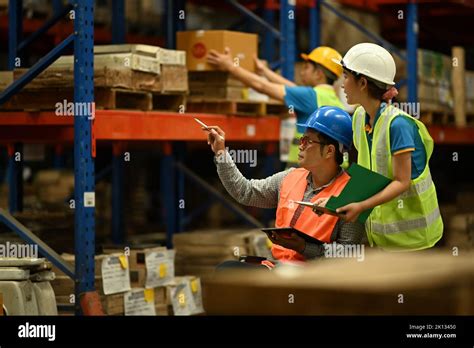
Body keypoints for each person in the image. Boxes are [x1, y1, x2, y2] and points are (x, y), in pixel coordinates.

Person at [202, 106, 366, 268]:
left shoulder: (351, 196)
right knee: (228, 269)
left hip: (313, 277)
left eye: (307, 141)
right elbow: (245, 192)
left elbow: (347, 255)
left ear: (329, 151)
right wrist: (221, 153)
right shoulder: (290, 177)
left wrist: (303, 247)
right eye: (302, 139)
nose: (300, 145)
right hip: (277, 268)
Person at [322, 42, 443, 251]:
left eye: (346, 77)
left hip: (413, 240)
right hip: (381, 238)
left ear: (362, 83)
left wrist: (361, 206)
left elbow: (401, 182)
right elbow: (365, 176)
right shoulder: (360, 117)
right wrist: (334, 199)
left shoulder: (399, 125)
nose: (342, 85)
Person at [207, 46, 345, 165]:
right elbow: (292, 88)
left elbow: (261, 86)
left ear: (319, 74)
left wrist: (231, 66)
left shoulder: (309, 96)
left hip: (305, 174)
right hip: (331, 171)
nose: (302, 71)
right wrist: (265, 72)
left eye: (306, 67)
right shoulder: (333, 101)